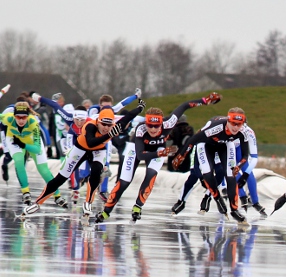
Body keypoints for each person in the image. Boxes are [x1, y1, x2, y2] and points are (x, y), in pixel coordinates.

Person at [94, 92, 221, 223]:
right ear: (146, 123)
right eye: (150, 125)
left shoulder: (169, 122)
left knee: (150, 175)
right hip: (138, 149)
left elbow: (185, 105)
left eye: (156, 126)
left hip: (158, 149)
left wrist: (205, 100)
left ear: (162, 123)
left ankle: (138, 207)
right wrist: (160, 154)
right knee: (124, 181)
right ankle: (106, 212)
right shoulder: (141, 130)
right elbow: (140, 155)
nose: (153, 129)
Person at [23, 99, 146, 216]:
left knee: (96, 171)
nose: (106, 127)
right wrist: (109, 135)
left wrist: (140, 108)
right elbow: (91, 142)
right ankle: (37, 203)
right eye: (103, 124)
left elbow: (129, 116)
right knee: (61, 177)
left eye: (109, 125)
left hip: (98, 150)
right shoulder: (90, 125)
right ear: (98, 121)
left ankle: (88, 203)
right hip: (81, 148)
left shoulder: (115, 126)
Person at [171, 107, 250, 225]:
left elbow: (245, 154)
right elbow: (193, 140)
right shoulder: (215, 128)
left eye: (239, 124)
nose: (235, 127)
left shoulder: (243, 132)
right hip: (205, 145)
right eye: (233, 123)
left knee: (230, 175)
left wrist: (239, 165)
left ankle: (234, 211)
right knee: (206, 173)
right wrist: (181, 155)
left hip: (225, 145)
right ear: (228, 121)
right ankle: (216, 199)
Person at [0, 101, 69, 208]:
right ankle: (26, 192)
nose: (21, 120)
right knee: (19, 162)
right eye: (18, 117)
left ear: (28, 116)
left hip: (30, 142)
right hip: (13, 140)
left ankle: (57, 196)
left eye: (24, 117)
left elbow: (36, 149)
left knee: (43, 170)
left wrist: (23, 144)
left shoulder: (33, 122)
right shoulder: (8, 118)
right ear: (14, 115)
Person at [88, 89, 142, 201]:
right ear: (99, 106)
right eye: (104, 107)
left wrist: (136, 96)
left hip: (105, 141)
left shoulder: (112, 110)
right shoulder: (93, 112)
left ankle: (103, 190)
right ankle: (87, 182)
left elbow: (123, 103)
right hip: (92, 141)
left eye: (110, 107)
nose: (107, 110)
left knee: (106, 165)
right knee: (89, 168)